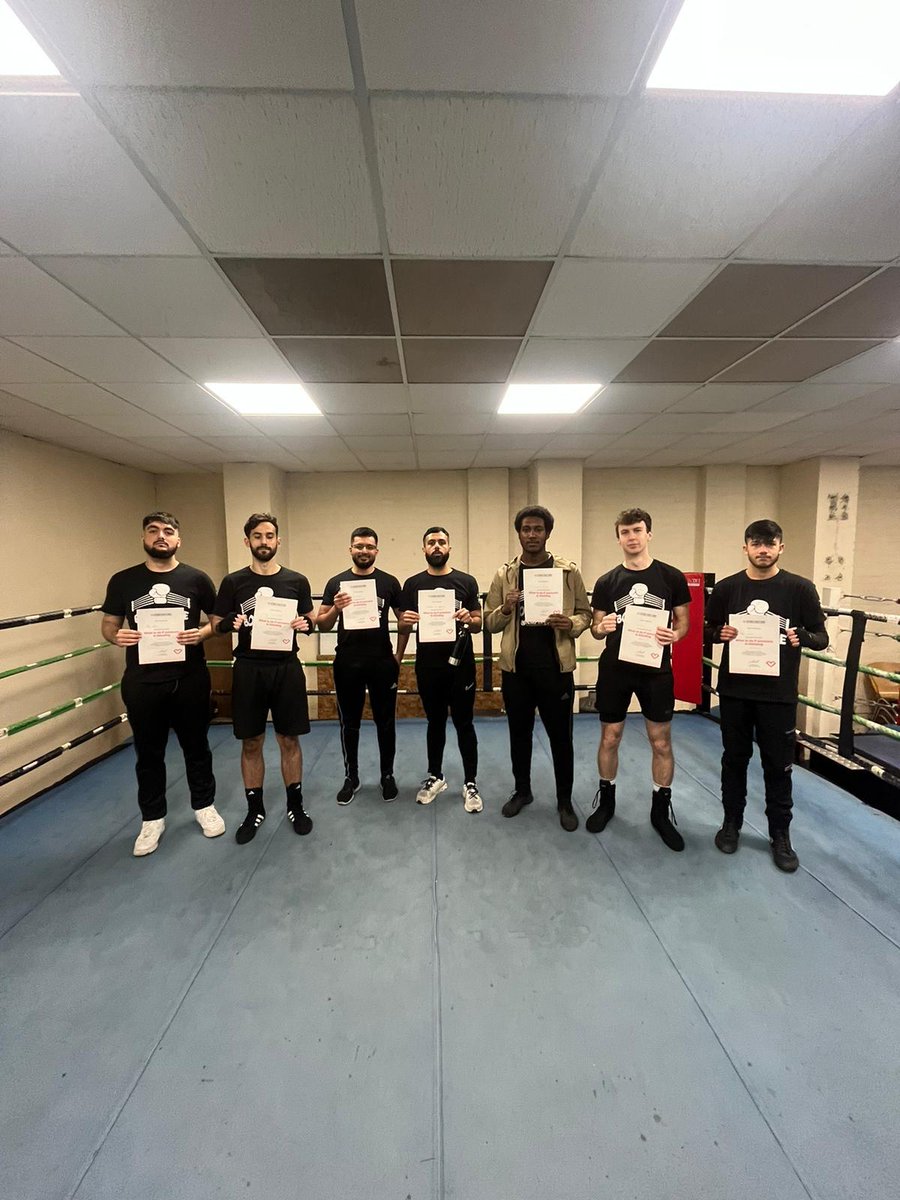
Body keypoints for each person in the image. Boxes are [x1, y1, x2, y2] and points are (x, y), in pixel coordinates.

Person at [705, 519, 828, 872]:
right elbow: (707, 630)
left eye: (769, 544)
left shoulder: (800, 589)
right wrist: (719, 634)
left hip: (778, 694)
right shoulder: (728, 588)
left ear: (780, 548)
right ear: (745, 547)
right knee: (734, 759)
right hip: (735, 691)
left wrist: (801, 637)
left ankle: (780, 835)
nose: (763, 550)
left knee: (778, 766)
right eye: (756, 544)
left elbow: (822, 637)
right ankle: (731, 823)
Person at [101, 511, 224, 857]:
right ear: (143, 537)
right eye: (153, 531)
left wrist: (199, 634)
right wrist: (116, 636)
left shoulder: (197, 579)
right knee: (148, 752)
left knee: (197, 746)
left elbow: (216, 622)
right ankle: (152, 818)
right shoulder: (123, 580)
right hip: (143, 680)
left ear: (178, 540)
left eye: (168, 531)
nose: (160, 536)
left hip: (189, 678)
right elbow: (109, 625)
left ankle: (204, 805)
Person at [586, 508, 691, 851]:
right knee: (610, 737)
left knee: (660, 741)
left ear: (649, 534)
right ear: (618, 538)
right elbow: (595, 628)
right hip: (615, 670)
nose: (632, 537)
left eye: (637, 530)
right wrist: (601, 627)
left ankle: (660, 810)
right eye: (625, 532)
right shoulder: (607, 582)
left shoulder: (671, 577)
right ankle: (607, 801)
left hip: (655, 670)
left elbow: (683, 622)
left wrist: (674, 637)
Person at [484, 506, 590, 831]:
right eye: (526, 529)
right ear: (518, 533)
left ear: (547, 533)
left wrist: (569, 622)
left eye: (538, 529)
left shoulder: (567, 572)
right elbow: (488, 622)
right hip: (516, 670)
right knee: (520, 735)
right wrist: (506, 607)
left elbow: (586, 614)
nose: (532, 535)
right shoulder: (505, 575)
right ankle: (523, 791)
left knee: (561, 738)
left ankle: (564, 800)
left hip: (555, 669)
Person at [212, 513, 315, 844]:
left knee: (289, 739)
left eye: (270, 536)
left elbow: (311, 619)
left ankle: (295, 805)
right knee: (251, 740)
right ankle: (254, 808)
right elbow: (216, 622)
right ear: (248, 542)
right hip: (248, 668)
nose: (264, 542)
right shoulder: (233, 582)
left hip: (286, 667)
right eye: (257, 536)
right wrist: (230, 622)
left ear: (278, 541)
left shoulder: (296, 581)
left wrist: (306, 625)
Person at [398, 526, 483, 812]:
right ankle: (436, 776)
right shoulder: (412, 584)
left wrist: (467, 618)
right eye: (431, 542)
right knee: (434, 722)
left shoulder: (466, 581)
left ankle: (470, 782)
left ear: (449, 548)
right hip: (428, 665)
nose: (436, 546)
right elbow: (402, 624)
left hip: (461, 664)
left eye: (442, 542)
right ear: (423, 549)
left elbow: (478, 623)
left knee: (464, 723)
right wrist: (406, 620)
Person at [317, 527, 403, 805]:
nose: (363, 551)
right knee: (349, 723)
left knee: (385, 721)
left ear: (376, 550)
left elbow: (404, 621)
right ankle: (351, 777)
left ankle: (387, 775)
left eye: (369, 547)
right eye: (358, 546)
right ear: (350, 549)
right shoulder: (336, 583)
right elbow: (323, 623)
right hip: (347, 662)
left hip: (381, 661)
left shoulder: (389, 582)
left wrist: (398, 657)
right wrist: (335, 609)